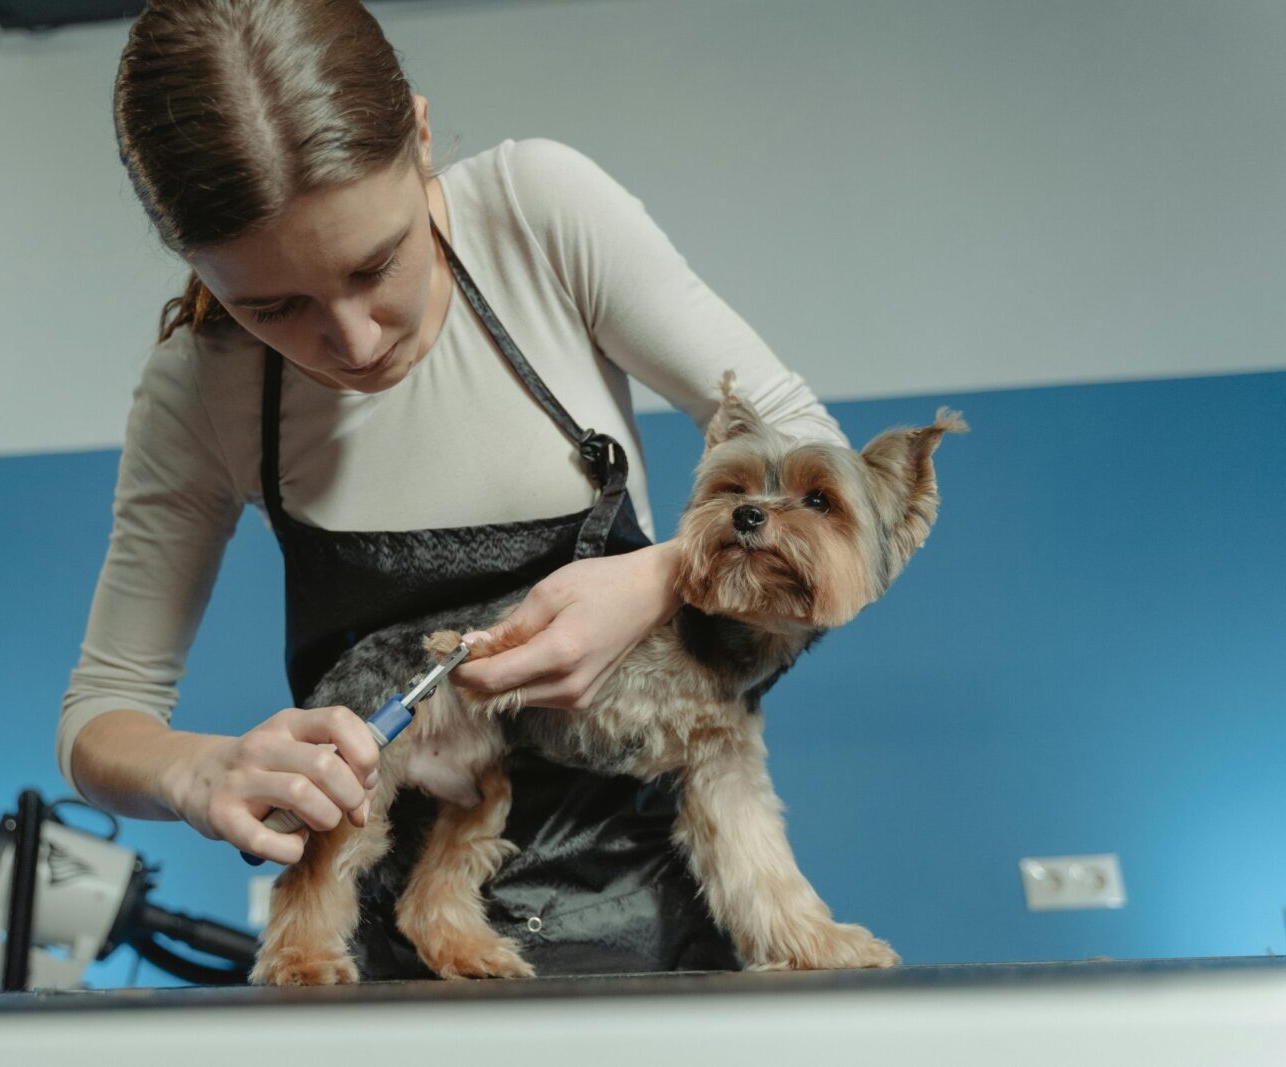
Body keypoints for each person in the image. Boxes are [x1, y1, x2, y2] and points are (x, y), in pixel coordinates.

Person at [60, 0, 847, 978]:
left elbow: (813, 454)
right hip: (380, 966)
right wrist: (196, 769)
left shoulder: (538, 215)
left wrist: (659, 576)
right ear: (197, 265)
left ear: (422, 136)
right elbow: (104, 712)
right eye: (273, 306)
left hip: (658, 939)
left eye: (375, 263)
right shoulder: (200, 385)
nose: (352, 341)